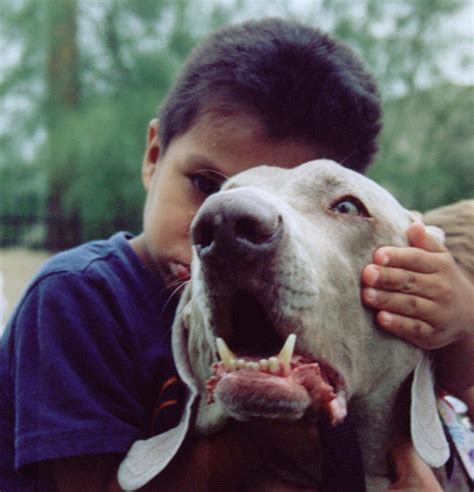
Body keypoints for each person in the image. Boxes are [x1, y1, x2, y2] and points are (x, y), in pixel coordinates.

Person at [0, 18, 472, 491]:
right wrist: (265, 442)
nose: (230, 231)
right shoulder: (78, 295)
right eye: (207, 186)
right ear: (153, 154)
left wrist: (460, 322)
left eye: (325, 209)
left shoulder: (350, 305)